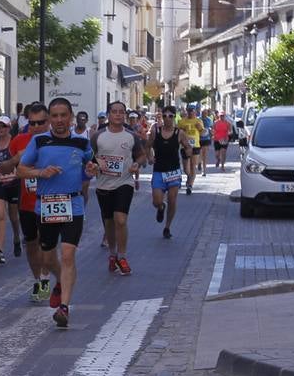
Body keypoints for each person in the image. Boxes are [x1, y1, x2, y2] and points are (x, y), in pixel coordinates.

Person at [18, 98, 96, 328]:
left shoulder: (82, 143)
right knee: (48, 258)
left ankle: (64, 308)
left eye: (64, 115)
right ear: (50, 118)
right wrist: (41, 172)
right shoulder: (39, 141)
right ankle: (61, 280)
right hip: (47, 205)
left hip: (73, 204)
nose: (59, 120)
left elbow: (91, 166)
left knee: (69, 254)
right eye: (55, 116)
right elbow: (21, 169)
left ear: (71, 117)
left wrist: (92, 170)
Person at [5, 103, 54, 302]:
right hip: (27, 203)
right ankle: (37, 280)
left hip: (50, 201)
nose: (36, 127)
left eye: (41, 122)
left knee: (46, 244)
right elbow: (7, 168)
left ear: (48, 121)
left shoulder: (57, 141)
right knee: (32, 244)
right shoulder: (18, 141)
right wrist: (13, 162)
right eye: (32, 123)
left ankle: (44, 279)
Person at [90, 101, 143, 276]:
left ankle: (122, 256)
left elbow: (141, 156)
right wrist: (92, 167)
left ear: (125, 115)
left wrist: (136, 164)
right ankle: (112, 254)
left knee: (120, 219)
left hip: (124, 183)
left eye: (121, 112)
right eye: (115, 112)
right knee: (109, 223)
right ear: (109, 114)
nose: (118, 115)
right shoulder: (97, 136)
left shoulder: (131, 136)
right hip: (104, 184)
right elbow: (90, 158)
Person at [0, 114, 23, 264]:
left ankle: (16, 237)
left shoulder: (14, 143)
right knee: (0, 215)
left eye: (3, 126)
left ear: (9, 128)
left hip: (13, 184)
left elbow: (21, 161)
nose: (0, 129)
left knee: (13, 216)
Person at [151, 106, 187, 239]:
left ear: (174, 117)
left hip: (174, 171)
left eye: (170, 116)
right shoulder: (156, 131)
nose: (167, 118)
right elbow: (148, 145)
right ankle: (161, 208)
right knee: (156, 201)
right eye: (164, 116)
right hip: (159, 171)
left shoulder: (180, 133)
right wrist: (149, 157)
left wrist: (187, 153)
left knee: (172, 199)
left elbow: (187, 146)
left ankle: (167, 227)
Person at [178, 105, 205, 194]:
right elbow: (177, 133)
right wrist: (182, 129)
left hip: (195, 145)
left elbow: (203, 133)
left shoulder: (198, 121)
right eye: (189, 111)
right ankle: (189, 177)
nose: (190, 112)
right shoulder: (182, 121)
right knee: (186, 168)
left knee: (193, 166)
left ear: (195, 111)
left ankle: (190, 185)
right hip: (185, 146)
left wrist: (200, 129)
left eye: (192, 111)